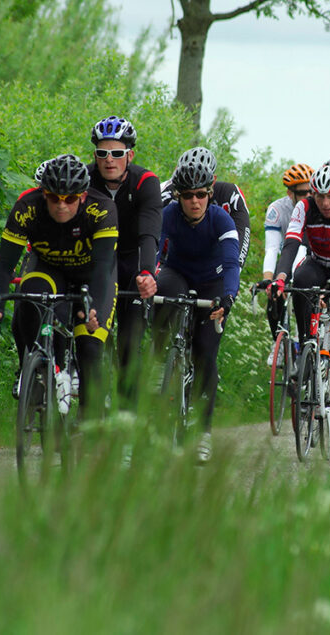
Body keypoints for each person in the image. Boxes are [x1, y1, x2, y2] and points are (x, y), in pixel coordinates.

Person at [0, 154, 118, 418]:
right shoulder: (27, 207)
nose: (61, 205)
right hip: (48, 268)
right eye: (54, 197)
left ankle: (87, 423)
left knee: (90, 346)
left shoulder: (101, 209)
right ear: (43, 194)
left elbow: (103, 269)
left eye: (69, 199)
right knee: (30, 297)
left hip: (91, 275)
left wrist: (95, 313)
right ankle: (34, 370)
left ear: (82, 196)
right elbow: (4, 266)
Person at [153, 147, 240, 461]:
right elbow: (152, 250)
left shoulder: (221, 219)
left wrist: (228, 297)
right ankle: (161, 361)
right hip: (177, 273)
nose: (194, 201)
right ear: (177, 195)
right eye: (187, 195)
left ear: (209, 194)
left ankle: (202, 432)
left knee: (206, 351)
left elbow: (231, 264)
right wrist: (146, 277)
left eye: (201, 195)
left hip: (212, 280)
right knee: (161, 291)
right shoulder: (168, 215)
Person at [271, 164, 330, 441]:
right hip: (319, 263)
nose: (325, 203)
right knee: (299, 282)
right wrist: (280, 276)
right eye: (319, 196)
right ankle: (306, 347)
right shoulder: (305, 207)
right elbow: (291, 243)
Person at [86, 116, 161, 406]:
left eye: (116, 153)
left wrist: (146, 272)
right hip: (97, 261)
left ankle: (126, 415)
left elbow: (149, 234)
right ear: (95, 155)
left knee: (129, 344)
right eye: (102, 153)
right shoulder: (85, 180)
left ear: (129, 155)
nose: (109, 160)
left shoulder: (145, 182)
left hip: (131, 261)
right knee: (92, 333)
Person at [161, 152, 252, 270]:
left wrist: (233, 268)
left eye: (201, 178)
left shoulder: (229, 194)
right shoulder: (167, 194)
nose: (193, 184)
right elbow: (151, 236)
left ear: (213, 180)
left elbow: (242, 233)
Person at [262, 163, 314, 345]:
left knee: (306, 294)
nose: (308, 197)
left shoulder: (318, 207)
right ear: (289, 193)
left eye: (311, 192)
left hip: (310, 258)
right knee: (274, 294)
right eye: (302, 192)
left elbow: (303, 248)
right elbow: (272, 248)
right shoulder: (277, 210)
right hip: (287, 256)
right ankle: (277, 343)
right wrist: (269, 280)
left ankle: (308, 341)